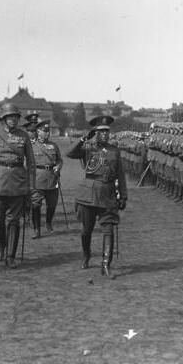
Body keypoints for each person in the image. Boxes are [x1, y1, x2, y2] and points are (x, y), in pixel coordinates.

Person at [66, 115, 128, 277]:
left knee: (109, 230)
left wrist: (123, 196)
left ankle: (106, 264)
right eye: (100, 132)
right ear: (95, 133)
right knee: (86, 230)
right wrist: (83, 138)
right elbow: (69, 153)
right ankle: (86, 255)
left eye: (106, 132)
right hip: (88, 193)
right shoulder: (87, 148)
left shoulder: (114, 151)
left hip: (108, 194)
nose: (104, 135)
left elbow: (120, 175)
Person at [0, 103, 36, 268]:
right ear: (3, 119)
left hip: (18, 182)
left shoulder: (24, 136)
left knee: (14, 221)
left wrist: (31, 185)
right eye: (10, 117)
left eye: (15, 117)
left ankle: (10, 255)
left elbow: (31, 162)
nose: (13, 120)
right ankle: (1, 245)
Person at [30, 120, 63, 238]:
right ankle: (36, 229)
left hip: (51, 178)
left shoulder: (54, 145)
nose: (47, 133)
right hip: (37, 178)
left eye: (48, 131)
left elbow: (59, 160)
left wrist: (58, 166)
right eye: (45, 131)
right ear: (38, 131)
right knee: (36, 205)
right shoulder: (31, 145)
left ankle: (48, 223)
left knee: (52, 205)